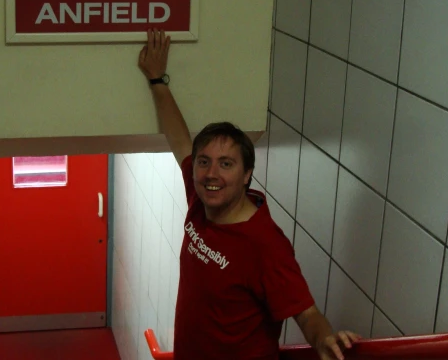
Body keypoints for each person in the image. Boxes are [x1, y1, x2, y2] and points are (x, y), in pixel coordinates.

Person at [137, 29, 360, 360]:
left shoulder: (265, 244)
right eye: (204, 163)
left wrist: (325, 339)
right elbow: (180, 139)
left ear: (246, 176)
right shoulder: (201, 201)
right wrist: (157, 80)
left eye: (225, 164)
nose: (211, 174)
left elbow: (307, 314)